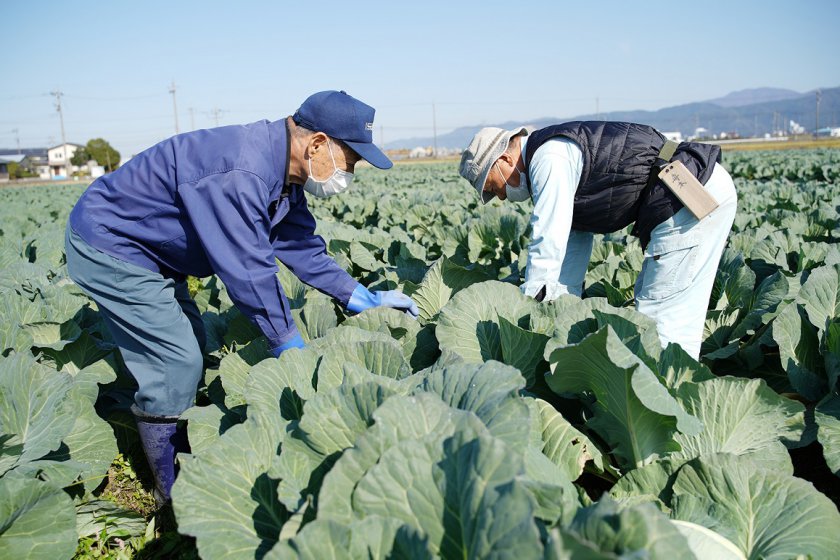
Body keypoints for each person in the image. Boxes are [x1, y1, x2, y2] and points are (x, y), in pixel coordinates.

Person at [65, 90, 418, 504]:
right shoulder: (241, 172)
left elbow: (300, 245)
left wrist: (360, 296)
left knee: (191, 343)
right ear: (318, 143)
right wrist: (289, 346)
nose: (349, 172)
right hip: (113, 243)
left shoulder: (283, 174)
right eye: (350, 161)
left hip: (155, 249)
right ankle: (170, 493)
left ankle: (176, 437)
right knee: (176, 360)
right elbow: (249, 271)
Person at [459, 121, 737, 360]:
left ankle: (671, 403)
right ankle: (673, 391)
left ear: (505, 160)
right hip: (689, 191)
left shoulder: (549, 156)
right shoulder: (557, 154)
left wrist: (529, 308)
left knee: (663, 316)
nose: (502, 197)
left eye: (494, 187)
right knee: (663, 310)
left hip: (689, 193)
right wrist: (560, 306)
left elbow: (549, 235)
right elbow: (571, 242)